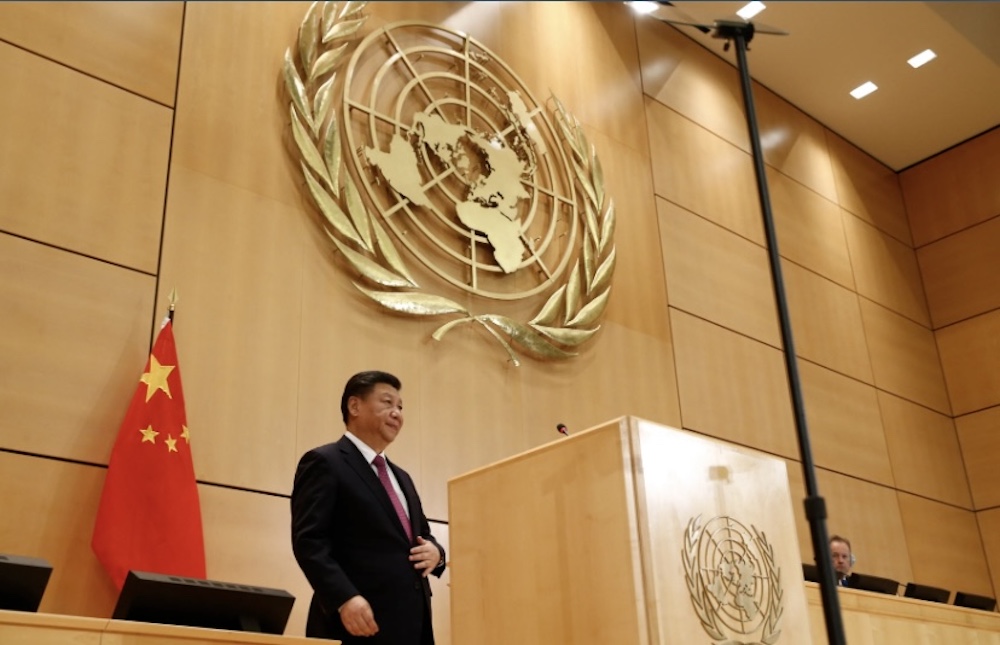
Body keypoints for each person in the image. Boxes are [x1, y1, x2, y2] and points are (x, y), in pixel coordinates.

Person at [291, 370, 446, 644]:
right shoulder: (325, 462)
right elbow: (309, 542)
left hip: (412, 627)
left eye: (400, 407)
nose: (397, 413)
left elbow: (423, 535)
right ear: (354, 406)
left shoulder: (402, 477)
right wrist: (344, 598)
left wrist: (437, 553)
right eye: (387, 402)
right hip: (355, 625)